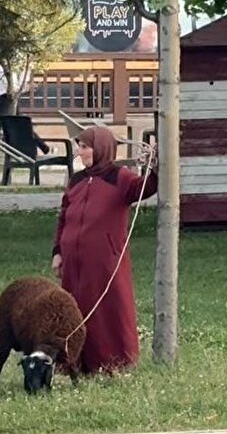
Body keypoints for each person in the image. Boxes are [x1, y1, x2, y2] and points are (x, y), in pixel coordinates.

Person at [51, 126, 158, 374]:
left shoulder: (119, 178)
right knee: (74, 310)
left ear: (100, 149)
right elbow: (63, 217)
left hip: (105, 262)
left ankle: (114, 362)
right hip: (74, 263)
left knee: (108, 311)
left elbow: (147, 187)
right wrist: (57, 252)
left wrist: (157, 164)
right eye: (79, 147)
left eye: (85, 147)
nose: (80, 152)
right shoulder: (76, 181)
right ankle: (73, 363)